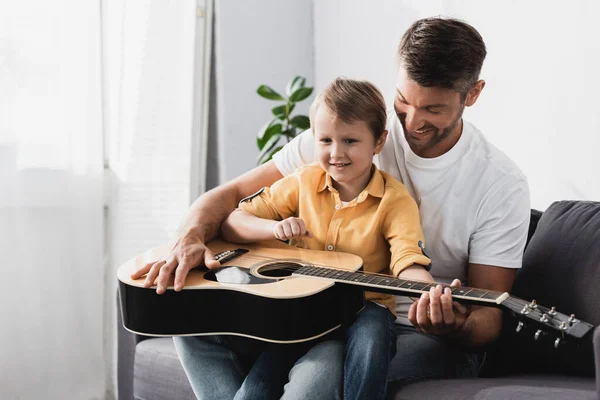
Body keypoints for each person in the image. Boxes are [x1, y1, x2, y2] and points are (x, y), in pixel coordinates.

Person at [131, 16, 530, 397]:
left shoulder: (499, 183)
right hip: (309, 307)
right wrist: (189, 237)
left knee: (321, 367)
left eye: (433, 110)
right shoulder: (346, 136)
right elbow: (230, 197)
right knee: (188, 319)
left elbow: (487, 320)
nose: (412, 122)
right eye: (404, 101)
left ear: (473, 94)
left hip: (405, 328)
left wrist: (452, 322)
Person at [218, 77, 433, 400]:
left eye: (350, 141)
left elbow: (407, 260)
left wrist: (431, 291)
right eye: (325, 140)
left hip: (367, 306)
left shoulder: (395, 199)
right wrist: (274, 229)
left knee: (372, 339)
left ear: (378, 141)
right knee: (259, 384)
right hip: (303, 307)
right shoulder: (303, 180)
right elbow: (234, 222)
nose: (336, 153)